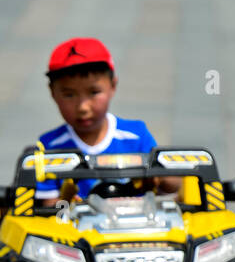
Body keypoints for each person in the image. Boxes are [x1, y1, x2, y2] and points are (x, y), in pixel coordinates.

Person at [33, 37, 180, 203]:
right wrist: (69, 203)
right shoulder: (51, 146)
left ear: (113, 86)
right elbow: (49, 207)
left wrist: (159, 177)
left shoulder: (136, 136)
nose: (83, 107)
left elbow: (174, 185)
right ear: (53, 93)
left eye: (94, 92)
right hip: (75, 228)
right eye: (69, 95)